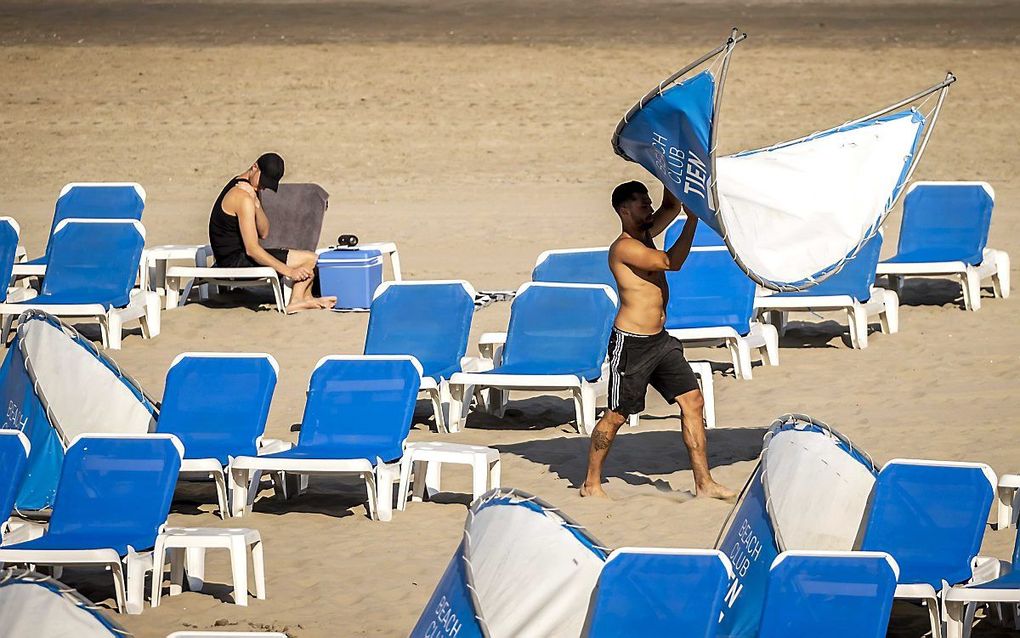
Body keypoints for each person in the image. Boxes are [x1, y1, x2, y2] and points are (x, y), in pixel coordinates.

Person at [580, 180, 735, 500]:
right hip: (632, 344)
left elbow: (670, 206)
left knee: (693, 400)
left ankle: (704, 482)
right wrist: (692, 221)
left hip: (660, 341)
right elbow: (670, 262)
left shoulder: (646, 232)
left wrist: (669, 175)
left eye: (648, 202)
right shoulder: (624, 247)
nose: (649, 208)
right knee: (616, 415)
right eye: (642, 204)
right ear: (624, 210)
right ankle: (591, 483)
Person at [208, 152, 336, 313]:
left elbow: (264, 232)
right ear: (254, 167)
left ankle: (304, 298)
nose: (263, 186)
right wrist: (289, 271)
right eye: (263, 182)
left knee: (310, 260)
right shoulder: (241, 196)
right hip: (234, 261)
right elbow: (252, 250)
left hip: (240, 256)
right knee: (310, 260)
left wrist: (256, 203)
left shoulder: (250, 190)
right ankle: (296, 300)